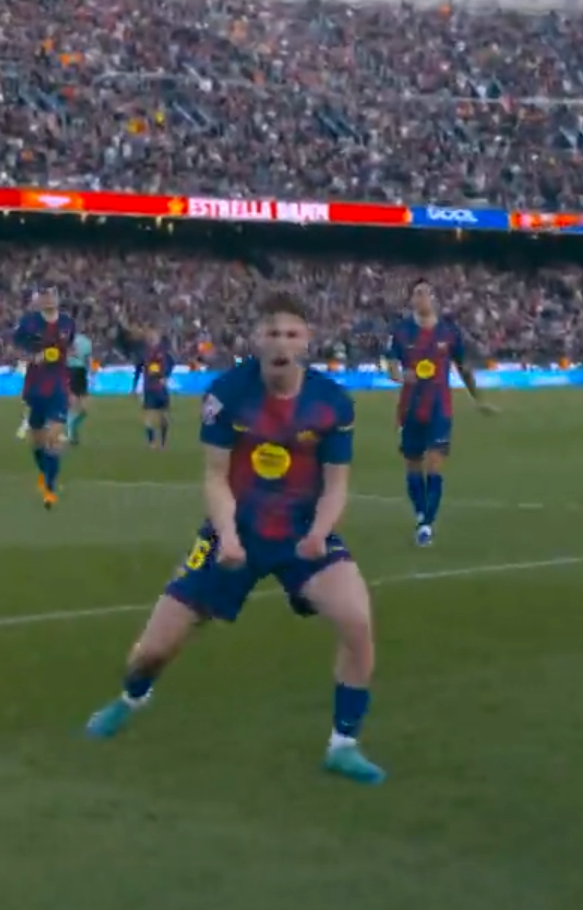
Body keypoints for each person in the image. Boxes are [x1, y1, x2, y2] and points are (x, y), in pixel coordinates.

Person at [83, 292, 385, 785]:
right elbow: (215, 477)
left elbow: (337, 484)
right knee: (153, 651)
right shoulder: (227, 394)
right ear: (255, 340)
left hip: (301, 533)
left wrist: (319, 534)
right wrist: (226, 535)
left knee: (356, 619)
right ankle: (132, 697)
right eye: (271, 333)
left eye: (291, 333)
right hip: (235, 533)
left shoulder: (332, 403)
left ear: (307, 340)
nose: (281, 342)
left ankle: (343, 745)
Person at [386, 279, 496, 547]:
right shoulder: (401, 332)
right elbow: (390, 366)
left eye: (425, 293)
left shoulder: (449, 332)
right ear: (411, 299)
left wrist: (478, 399)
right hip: (410, 408)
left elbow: (463, 368)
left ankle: (425, 525)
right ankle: (421, 512)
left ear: (433, 298)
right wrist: (401, 376)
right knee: (413, 464)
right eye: (416, 293)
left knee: (435, 463)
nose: (420, 298)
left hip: (439, 408)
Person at [13, 289, 76, 509]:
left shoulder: (68, 323)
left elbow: (70, 347)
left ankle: (50, 486)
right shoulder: (29, 323)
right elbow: (16, 349)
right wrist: (33, 357)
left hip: (58, 386)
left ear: (58, 299)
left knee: (54, 437)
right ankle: (44, 472)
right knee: (37, 441)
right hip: (35, 387)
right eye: (45, 296)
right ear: (40, 301)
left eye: (53, 296)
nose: (50, 300)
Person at [139, 327, 174, 450]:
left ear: (157, 339)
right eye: (150, 337)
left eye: (153, 337)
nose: (151, 339)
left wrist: (165, 376)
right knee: (149, 417)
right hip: (149, 388)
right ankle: (152, 443)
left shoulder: (161, 353)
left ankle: (162, 443)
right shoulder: (147, 353)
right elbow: (141, 368)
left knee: (162, 417)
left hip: (158, 388)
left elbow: (170, 364)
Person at [67, 329, 94, 446]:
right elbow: (89, 359)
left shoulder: (85, 342)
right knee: (77, 406)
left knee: (82, 408)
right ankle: (71, 434)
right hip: (74, 372)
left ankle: (72, 428)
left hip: (77, 373)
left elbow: (89, 359)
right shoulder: (85, 341)